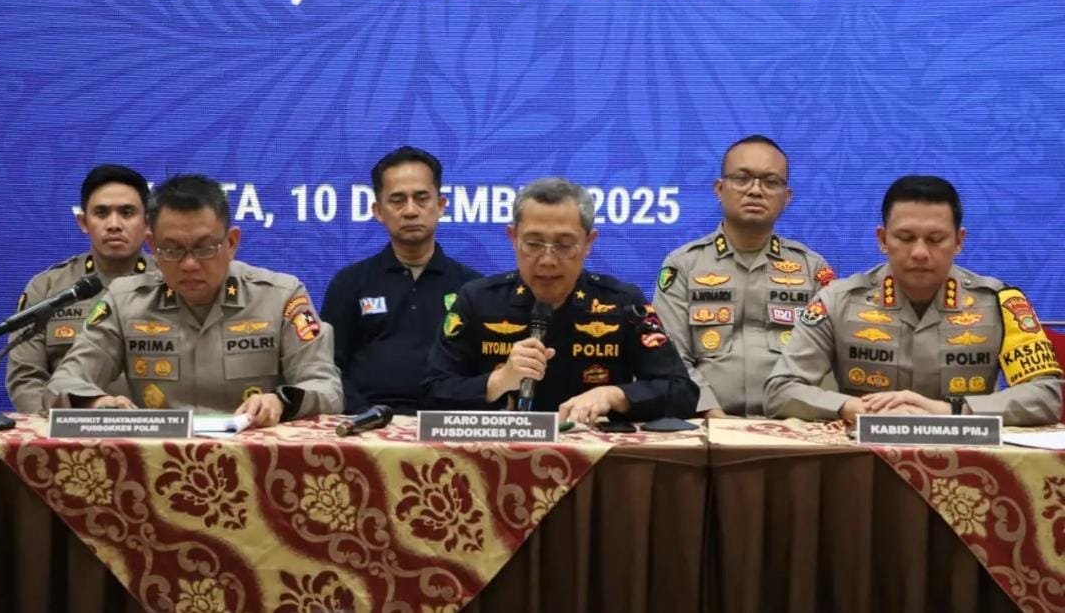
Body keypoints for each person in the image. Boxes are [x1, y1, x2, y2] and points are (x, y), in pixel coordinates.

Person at [764, 175, 1062, 426]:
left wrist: (953, 411)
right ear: (883, 239)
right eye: (905, 238)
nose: (920, 252)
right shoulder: (837, 300)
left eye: (935, 239)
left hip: (968, 459)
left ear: (959, 241)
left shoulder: (1000, 303)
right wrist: (851, 407)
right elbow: (780, 390)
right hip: (867, 457)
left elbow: (1047, 395)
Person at [48, 174, 343, 427]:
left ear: (231, 242)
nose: (189, 264)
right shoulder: (125, 301)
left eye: (204, 248)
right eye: (172, 250)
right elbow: (62, 383)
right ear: (152, 245)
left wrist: (279, 401)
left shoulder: (280, 296)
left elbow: (326, 388)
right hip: (154, 457)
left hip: (255, 457)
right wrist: (97, 404)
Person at [424, 177, 696, 425]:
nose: (548, 260)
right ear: (513, 238)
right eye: (533, 244)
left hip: (596, 456)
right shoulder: (477, 300)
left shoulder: (623, 303)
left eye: (564, 245)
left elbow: (682, 391)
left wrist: (615, 395)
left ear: (589, 242)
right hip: (499, 454)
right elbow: (431, 391)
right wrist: (499, 381)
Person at [652, 135, 834, 417]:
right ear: (719, 188)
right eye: (742, 178)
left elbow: (824, 360)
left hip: (791, 424)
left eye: (770, 182)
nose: (755, 190)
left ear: (787, 197)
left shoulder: (812, 269)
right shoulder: (683, 265)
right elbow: (672, 358)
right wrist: (711, 412)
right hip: (703, 422)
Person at [321, 147, 480, 414]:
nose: (410, 211)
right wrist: (367, 416)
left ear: (441, 206)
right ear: (378, 211)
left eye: (421, 198)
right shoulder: (349, 283)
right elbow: (328, 368)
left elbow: (480, 372)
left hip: (447, 423)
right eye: (397, 200)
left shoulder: (472, 288)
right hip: (366, 423)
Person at [6, 164, 155, 413]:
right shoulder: (48, 288)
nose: (114, 224)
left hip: (158, 429)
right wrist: (62, 422)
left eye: (127, 212)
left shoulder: (173, 283)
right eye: (101, 213)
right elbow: (26, 379)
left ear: (148, 222)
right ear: (83, 222)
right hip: (67, 429)